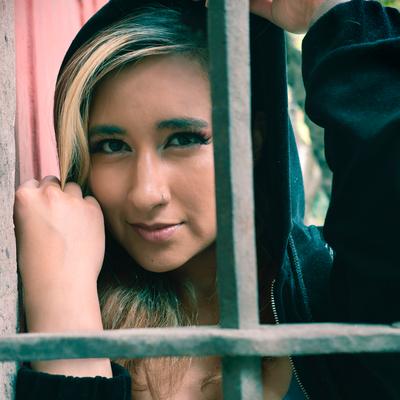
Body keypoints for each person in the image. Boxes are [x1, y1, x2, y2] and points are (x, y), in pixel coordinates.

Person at [13, 0, 400, 399]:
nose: (146, 194)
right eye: (112, 145)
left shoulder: (329, 295)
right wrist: (65, 305)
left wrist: (330, 13)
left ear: (253, 139)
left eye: (183, 139)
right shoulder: (62, 290)